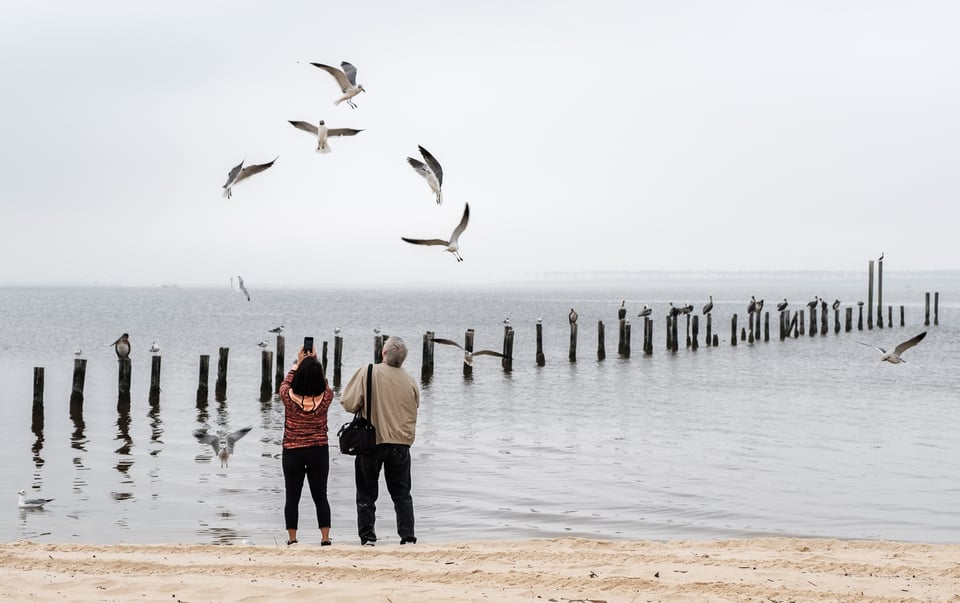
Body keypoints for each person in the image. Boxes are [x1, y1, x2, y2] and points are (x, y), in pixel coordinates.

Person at [340, 336, 420, 546]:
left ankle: (368, 538)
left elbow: (348, 403)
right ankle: (408, 537)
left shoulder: (369, 371)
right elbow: (415, 407)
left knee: (366, 494)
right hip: (401, 444)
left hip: (371, 442)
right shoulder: (410, 380)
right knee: (402, 494)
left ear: (383, 353)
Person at [279, 346, 334, 546]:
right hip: (318, 450)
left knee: (292, 497)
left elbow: (285, 384)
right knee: (321, 496)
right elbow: (325, 385)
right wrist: (315, 364)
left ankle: (292, 539)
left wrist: (298, 364)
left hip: (292, 450)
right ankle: (325, 538)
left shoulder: (287, 396)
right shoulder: (327, 397)